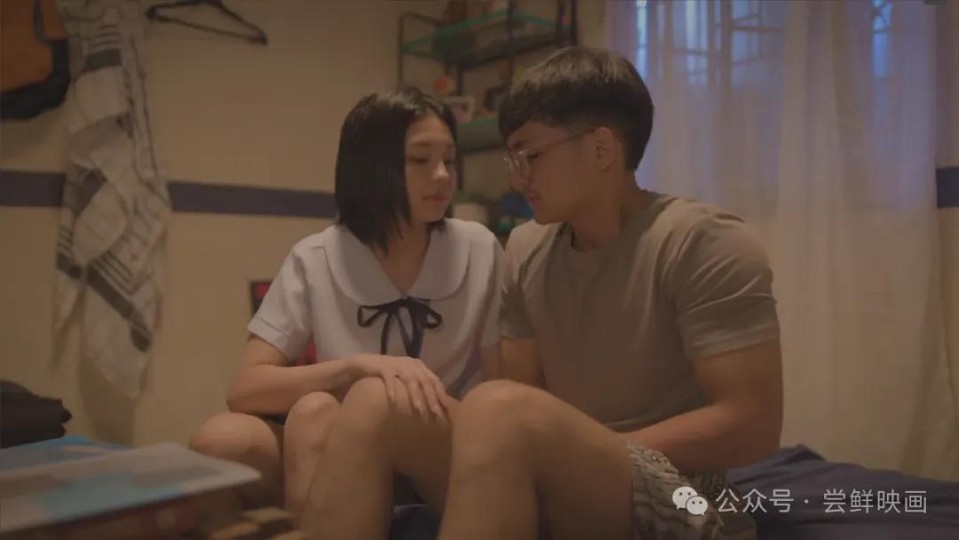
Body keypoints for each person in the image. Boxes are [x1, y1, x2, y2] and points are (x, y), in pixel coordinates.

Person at [433, 46, 783, 539]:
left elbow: (753, 424)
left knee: (496, 408)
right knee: (380, 407)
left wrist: (582, 451)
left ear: (601, 149)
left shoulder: (703, 242)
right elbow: (525, 393)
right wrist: (556, 455)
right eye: (513, 158)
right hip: (561, 472)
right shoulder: (526, 249)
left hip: (686, 491)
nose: (517, 177)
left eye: (530, 156)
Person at [188, 85, 502, 520]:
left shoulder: (479, 248)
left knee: (370, 404)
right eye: (420, 160)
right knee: (223, 439)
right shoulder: (316, 256)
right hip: (348, 441)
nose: (443, 176)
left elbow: (502, 385)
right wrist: (356, 368)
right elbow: (244, 390)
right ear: (371, 167)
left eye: (448, 160)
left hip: (440, 446)